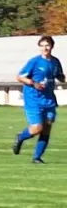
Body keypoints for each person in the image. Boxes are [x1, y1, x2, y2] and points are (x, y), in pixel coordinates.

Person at [14, 35, 63, 163]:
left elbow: (60, 77)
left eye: (47, 45)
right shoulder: (34, 62)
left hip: (49, 100)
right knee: (37, 128)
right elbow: (19, 77)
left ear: (52, 46)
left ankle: (37, 158)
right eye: (42, 46)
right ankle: (20, 137)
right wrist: (33, 83)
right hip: (33, 99)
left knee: (46, 129)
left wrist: (62, 78)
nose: (45, 48)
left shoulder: (55, 62)